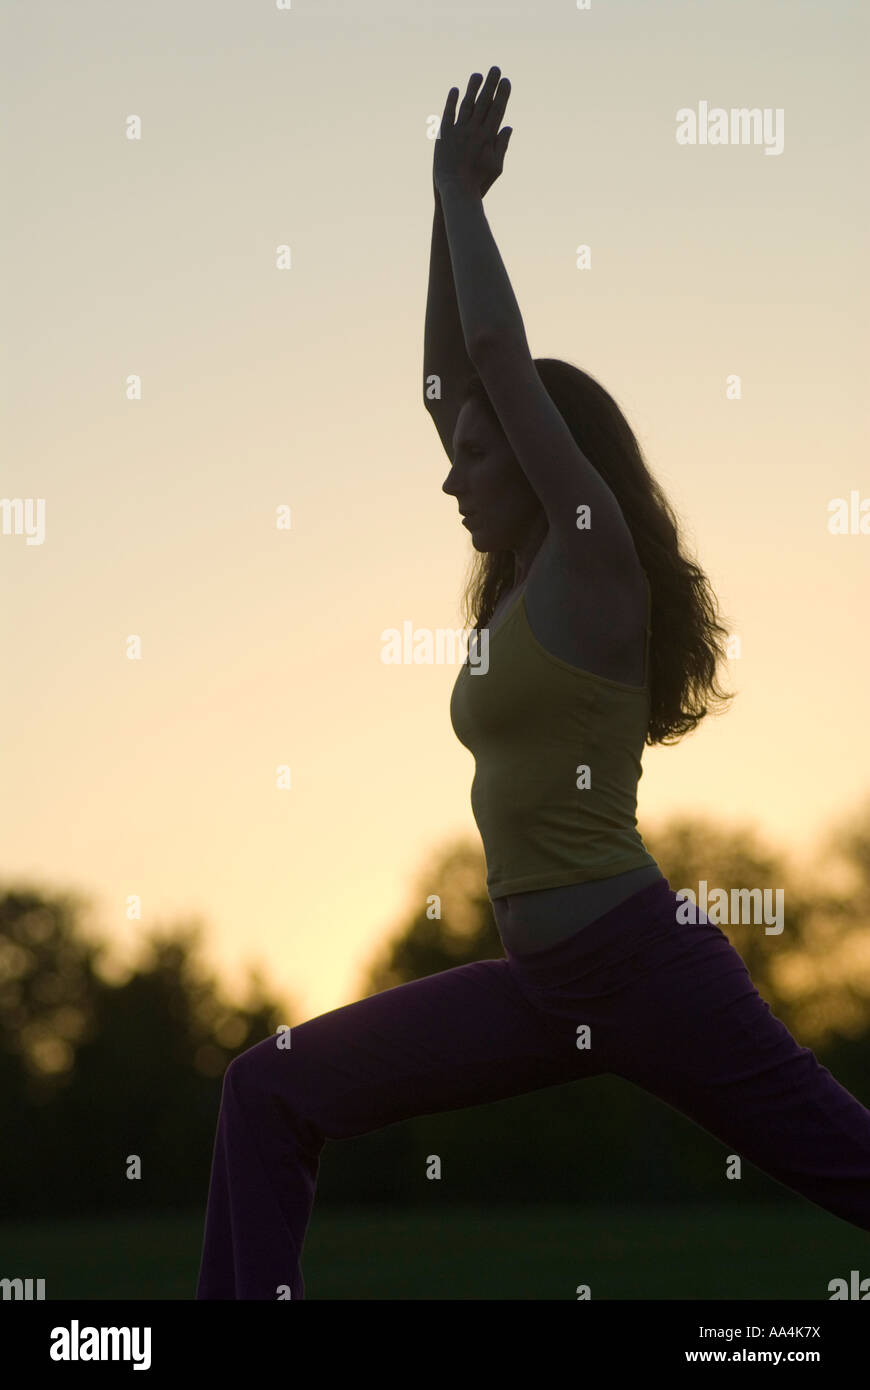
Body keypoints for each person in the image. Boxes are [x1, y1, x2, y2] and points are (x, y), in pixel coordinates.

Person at [196, 67, 870, 1300]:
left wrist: (467, 197)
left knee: (856, 1170)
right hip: (540, 986)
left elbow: (496, 357)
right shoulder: (514, 586)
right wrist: (430, 203)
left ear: (538, 450)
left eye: (473, 453)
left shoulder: (593, 558)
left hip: (643, 967)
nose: (449, 473)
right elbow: (451, 380)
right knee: (269, 1083)